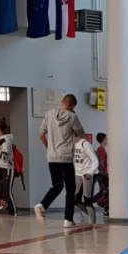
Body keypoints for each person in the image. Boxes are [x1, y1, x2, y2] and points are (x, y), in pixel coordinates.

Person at [36, 94, 84, 227]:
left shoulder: (49, 114)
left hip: (52, 157)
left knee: (57, 185)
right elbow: (81, 134)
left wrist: (48, 147)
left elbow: (41, 134)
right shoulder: (73, 117)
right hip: (66, 158)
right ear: (73, 106)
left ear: (62, 102)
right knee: (70, 188)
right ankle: (68, 220)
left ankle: (42, 205)